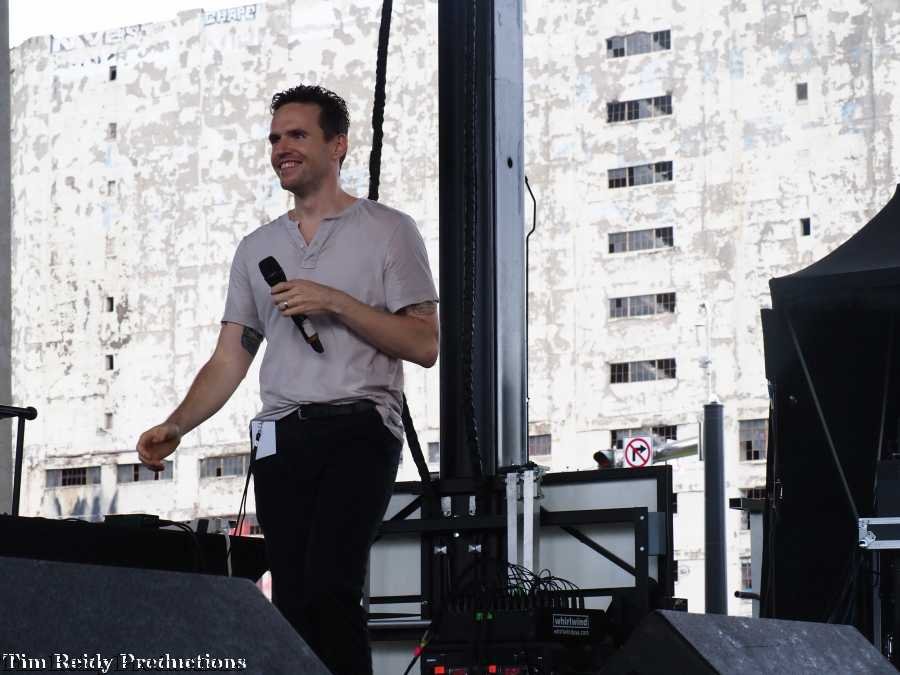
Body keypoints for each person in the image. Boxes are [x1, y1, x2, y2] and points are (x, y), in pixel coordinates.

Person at [135, 84, 439, 675]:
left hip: (360, 426)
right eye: (275, 138)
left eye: (297, 134)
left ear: (338, 145)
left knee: (330, 587)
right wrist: (176, 425)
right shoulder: (257, 248)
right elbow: (230, 357)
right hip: (280, 436)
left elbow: (424, 344)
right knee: (293, 602)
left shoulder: (389, 230)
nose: (281, 148)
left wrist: (335, 302)